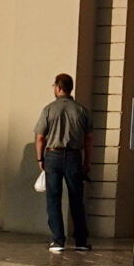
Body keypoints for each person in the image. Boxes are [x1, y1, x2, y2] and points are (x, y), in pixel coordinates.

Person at [33, 73, 94, 254]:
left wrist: (40, 159)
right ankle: (81, 241)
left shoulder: (49, 110)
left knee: (53, 199)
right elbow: (88, 140)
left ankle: (58, 240)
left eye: (54, 86)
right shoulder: (82, 110)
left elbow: (40, 137)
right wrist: (87, 162)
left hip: (53, 156)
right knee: (76, 199)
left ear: (59, 87)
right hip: (75, 156)